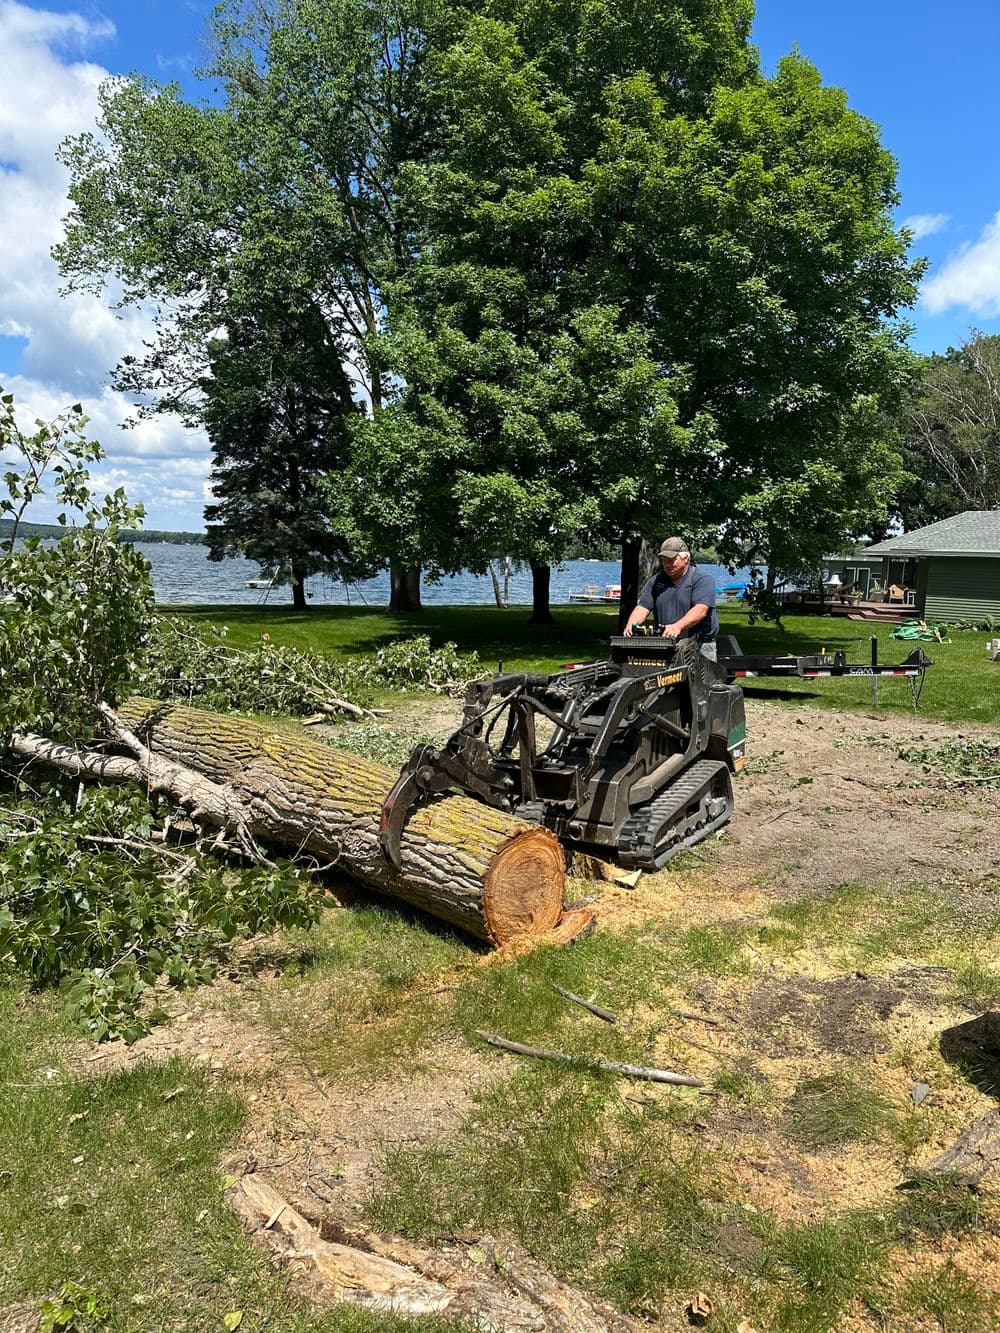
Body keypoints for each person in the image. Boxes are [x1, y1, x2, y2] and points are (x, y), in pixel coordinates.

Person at [623, 537, 719, 660]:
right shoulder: (655, 582)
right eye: (664, 561)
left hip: (700, 645)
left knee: (700, 678)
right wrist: (632, 624)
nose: (667, 564)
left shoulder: (702, 579)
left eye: (672, 560)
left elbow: (700, 610)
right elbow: (643, 607)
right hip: (666, 643)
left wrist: (677, 626)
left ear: (685, 559)